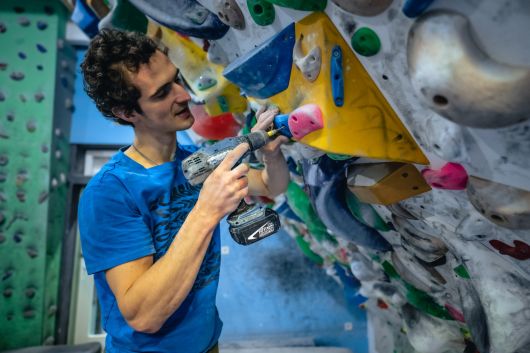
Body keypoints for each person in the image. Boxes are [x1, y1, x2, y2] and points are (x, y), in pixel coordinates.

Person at [78, 29, 290, 353]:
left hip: (208, 345)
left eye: (177, 79)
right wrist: (207, 210)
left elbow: (272, 186)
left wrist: (271, 154)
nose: (183, 95)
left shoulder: (196, 163)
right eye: (163, 92)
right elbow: (144, 315)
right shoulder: (109, 193)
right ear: (127, 113)